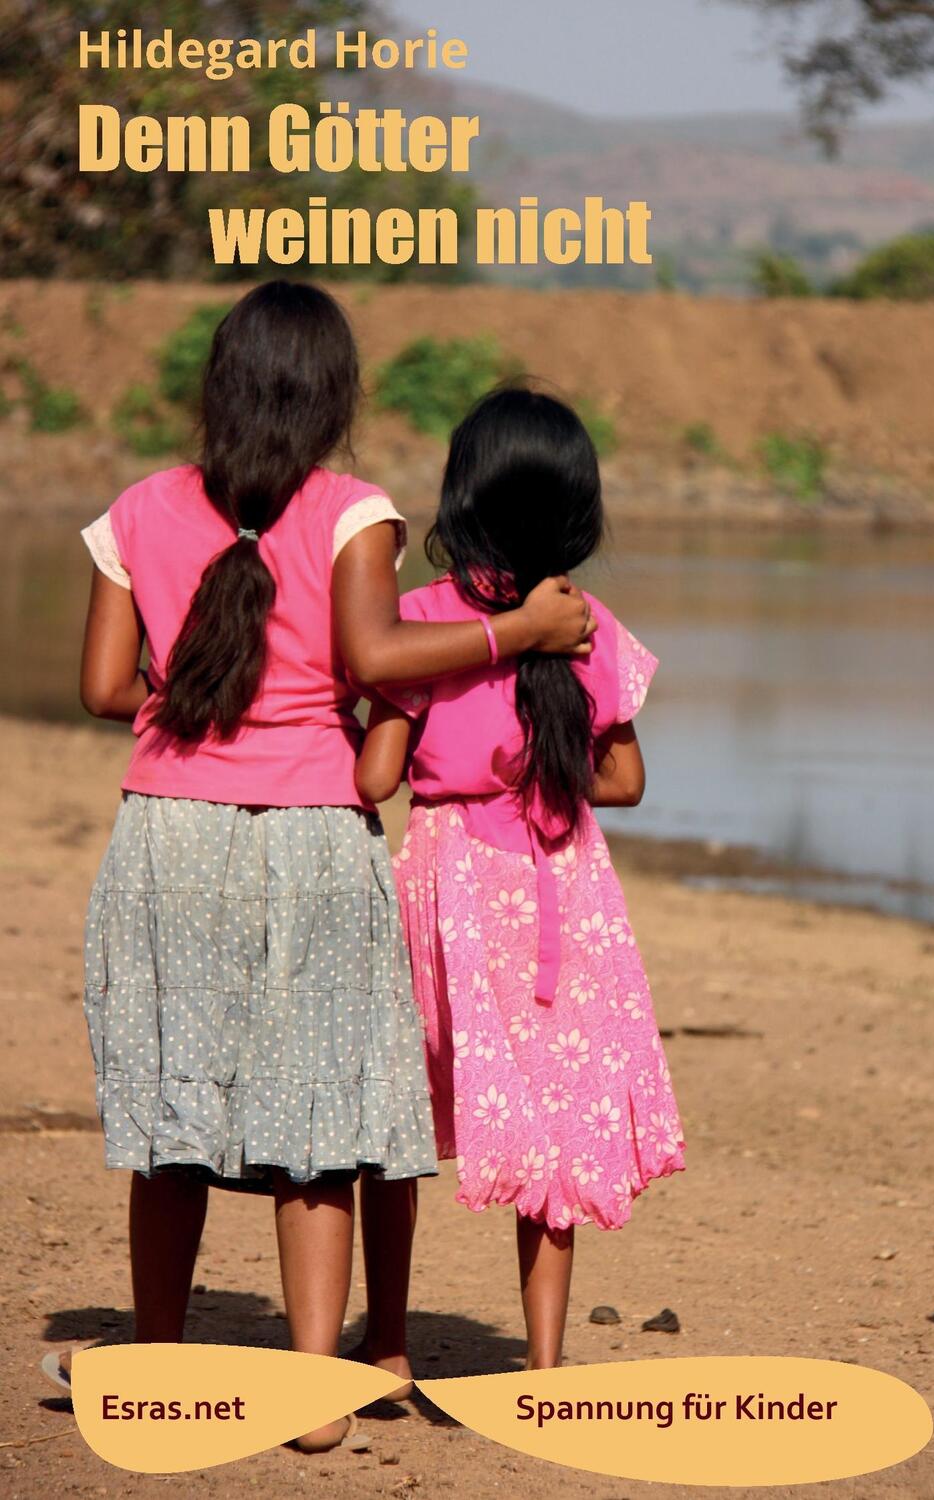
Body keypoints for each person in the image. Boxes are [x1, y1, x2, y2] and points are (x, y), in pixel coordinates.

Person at [46, 286, 593, 1452]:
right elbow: (374, 653)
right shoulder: (354, 512)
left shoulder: (135, 508)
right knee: (319, 1121)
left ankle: (156, 1359)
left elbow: (101, 690)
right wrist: (521, 634)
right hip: (306, 837)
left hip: (164, 837)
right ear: (334, 395)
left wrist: (190, 692)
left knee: (172, 1118)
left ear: (219, 386)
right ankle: (312, 1395)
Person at [353, 388, 685, 1383]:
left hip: (449, 885)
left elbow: (376, 778)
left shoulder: (417, 620)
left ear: (461, 498)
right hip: (564, 890)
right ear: (576, 513)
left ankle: (386, 1349)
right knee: (560, 1122)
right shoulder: (589, 625)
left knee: (401, 1121)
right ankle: (541, 1365)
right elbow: (624, 780)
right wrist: (543, 767)